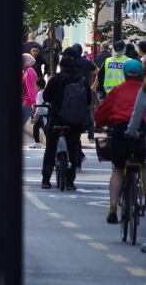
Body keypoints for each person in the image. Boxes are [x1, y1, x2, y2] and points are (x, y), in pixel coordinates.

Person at [95, 59, 145, 223]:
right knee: (144, 164)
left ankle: (113, 207)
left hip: (120, 130)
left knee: (117, 169)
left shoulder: (117, 90)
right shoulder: (142, 89)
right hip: (143, 129)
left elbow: (102, 113)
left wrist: (101, 122)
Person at [41, 50, 91, 190]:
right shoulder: (82, 80)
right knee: (73, 148)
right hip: (75, 122)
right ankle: (69, 181)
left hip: (56, 120)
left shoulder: (55, 80)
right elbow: (88, 101)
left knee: (50, 148)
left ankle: (46, 180)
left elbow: (46, 97)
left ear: (61, 67)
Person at [31, 78, 48, 148]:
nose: (35, 87)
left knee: (44, 129)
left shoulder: (40, 93)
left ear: (38, 86)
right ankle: (37, 143)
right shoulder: (46, 92)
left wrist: (35, 114)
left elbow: (40, 106)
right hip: (47, 114)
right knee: (37, 126)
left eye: (35, 85)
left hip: (43, 115)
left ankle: (38, 143)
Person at [22, 54, 38, 126]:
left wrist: (33, 103)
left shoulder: (29, 71)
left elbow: (31, 88)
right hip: (25, 102)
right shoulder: (25, 71)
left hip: (28, 103)